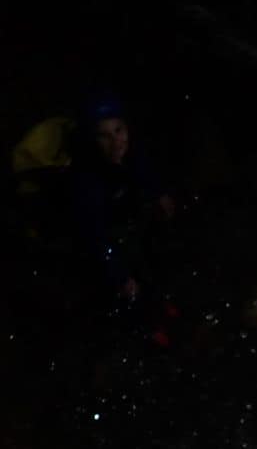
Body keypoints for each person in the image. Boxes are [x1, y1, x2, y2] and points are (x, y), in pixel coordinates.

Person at [64, 93, 176, 314]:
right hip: (109, 235)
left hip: (127, 219)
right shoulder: (88, 182)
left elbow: (144, 172)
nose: (116, 142)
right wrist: (121, 278)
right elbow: (94, 237)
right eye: (104, 136)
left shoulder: (132, 152)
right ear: (92, 141)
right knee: (130, 291)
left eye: (118, 130)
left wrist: (160, 194)